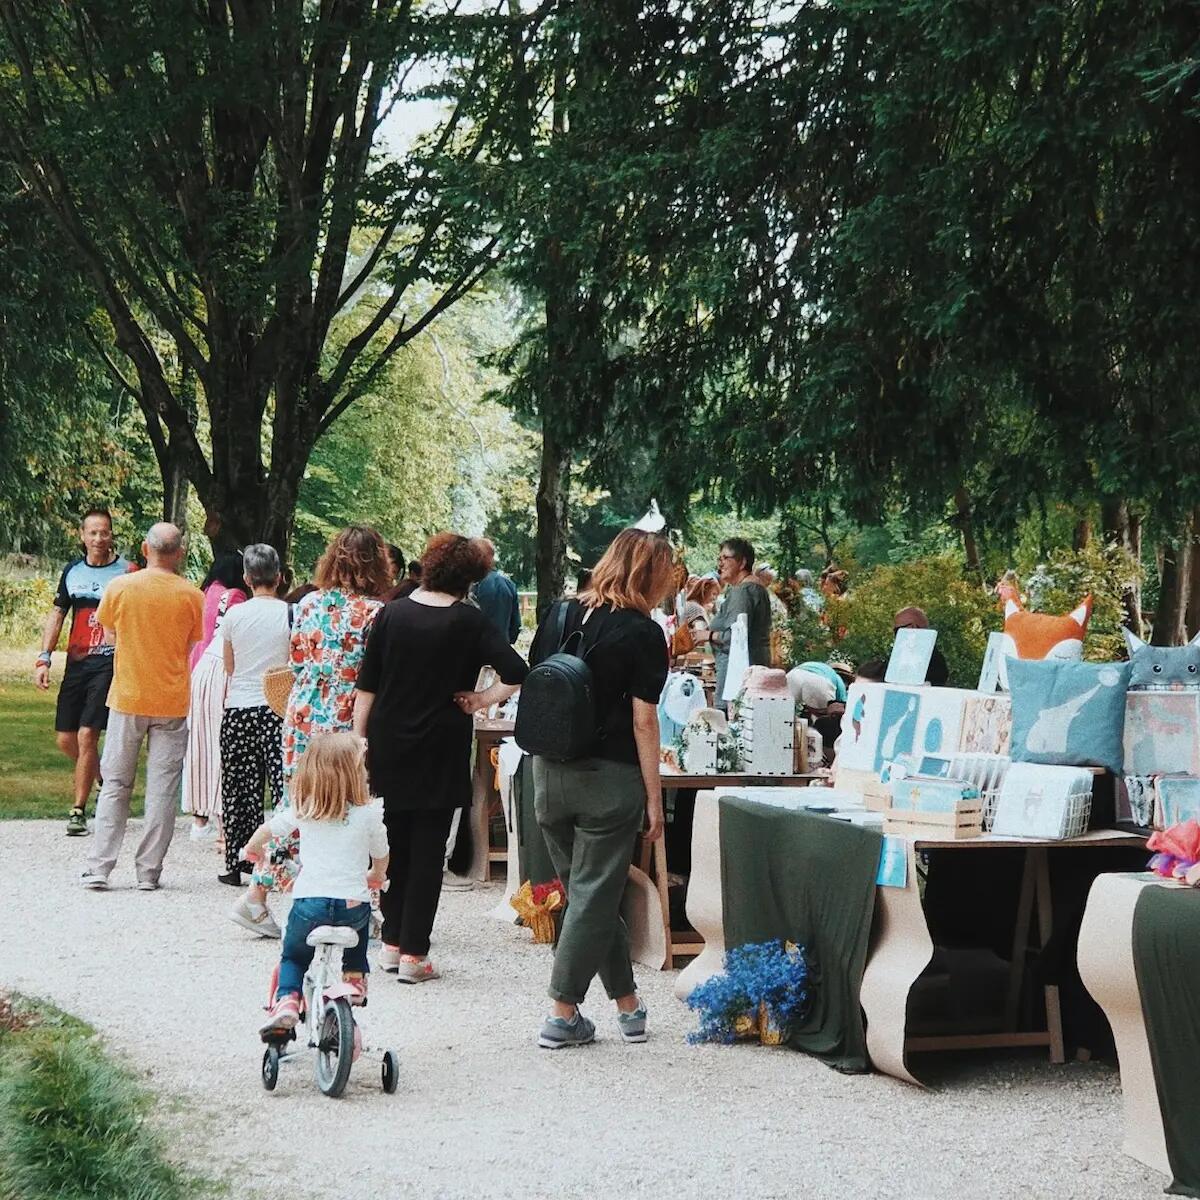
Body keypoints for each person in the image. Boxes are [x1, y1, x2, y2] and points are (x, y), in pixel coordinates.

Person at [354, 533, 528, 983]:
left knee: (395, 843)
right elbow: (517, 671)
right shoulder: (468, 622)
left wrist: (358, 738)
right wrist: (480, 698)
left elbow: (367, 683)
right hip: (441, 741)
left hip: (390, 738)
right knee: (430, 849)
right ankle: (414, 952)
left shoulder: (392, 613)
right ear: (469, 578)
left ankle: (391, 943)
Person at [525, 527, 674, 1049]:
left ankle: (628, 1007)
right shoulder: (643, 632)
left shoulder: (559, 613)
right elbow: (644, 723)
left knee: (591, 894)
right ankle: (561, 1013)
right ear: (652, 575)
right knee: (592, 895)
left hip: (548, 775)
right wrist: (655, 798)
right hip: (609, 782)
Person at [233, 526, 389, 921]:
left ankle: (257, 894)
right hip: (344, 716)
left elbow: (298, 656)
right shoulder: (373, 613)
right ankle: (359, 903)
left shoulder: (304, 605)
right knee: (348, 806)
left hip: (301, 711)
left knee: (301, 805)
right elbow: (372, 673)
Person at [80, 523, 203, 890]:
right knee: (163, 788)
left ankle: (100, 866)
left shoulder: (120, 587)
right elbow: (188, 646)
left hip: (128, 696)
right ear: (179, 553)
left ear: (144, 549)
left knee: (116, 782)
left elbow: (109, 633)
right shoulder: (191, 595)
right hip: (172, 699)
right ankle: (149, 872)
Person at [248, 733, 390, 1035]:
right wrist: (377, 875)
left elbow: (268, 829)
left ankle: (287, 999)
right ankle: (353, 980)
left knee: (294, 955)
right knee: (358, 940)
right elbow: (381, 854)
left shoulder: (306, 810)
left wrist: (253, 849)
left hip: (309, 903)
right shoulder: (368, 815)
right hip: (353, 905)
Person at [34, 507, 136, 837]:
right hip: (76, 663)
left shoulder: (127, 572)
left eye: (104, 532)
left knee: (87, 734)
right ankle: (102, 776)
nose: (98, 538)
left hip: (109, 661)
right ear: (82, 535)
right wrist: (43, 657)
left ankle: (77, 811)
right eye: (92, 532)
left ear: (111, 535)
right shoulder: (72, 572)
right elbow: (57, 615)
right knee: (65, 739)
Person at [217, 544, 290, 905]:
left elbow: (229, 666)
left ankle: (236, 859)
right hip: (277, 707)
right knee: (282, 787)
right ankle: (280, 858)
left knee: (239, 789)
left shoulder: (234, 616)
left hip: (240, 706)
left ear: (247, 578)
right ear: (279, 576)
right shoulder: (290, 614)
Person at [182, 552, 247, 841]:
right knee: (224, 745)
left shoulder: (204, 594)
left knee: (199, 744)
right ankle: (224, 818)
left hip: (197, 670)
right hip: (222, 669)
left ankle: (199, 817)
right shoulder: (233, 597)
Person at [693, 538, 771, 705]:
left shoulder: (742, 592)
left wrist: (708, 634)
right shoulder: (757, 588)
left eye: (725, 558)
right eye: (719, 559)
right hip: (753, 674)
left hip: (736, 680)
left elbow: (736, 638)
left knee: (730, 725)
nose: (720, 564)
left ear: (742, 562)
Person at [471, 538, 521, 644]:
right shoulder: (509, 584)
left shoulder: (471, 586)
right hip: (502, 648)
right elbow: (515, 624)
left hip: (477, 649)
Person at [893, 606, 949, 686]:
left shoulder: (934, 661)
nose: (897, 636)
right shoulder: (898, 656)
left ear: (913, 627)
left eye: (898, 630)